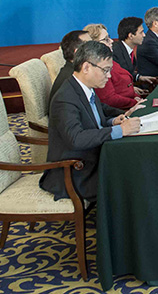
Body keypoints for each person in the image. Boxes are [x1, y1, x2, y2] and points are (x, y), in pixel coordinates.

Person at [40, 40, 141, 202]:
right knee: (133, 177)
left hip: (92, 160)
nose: (109, 76)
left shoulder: (85, 89)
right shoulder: (65, 98)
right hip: (75, 173)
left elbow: (94, 122)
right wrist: (120, 130)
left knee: (137, 163)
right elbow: (76, 138)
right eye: (105, 70)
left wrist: (113, 121)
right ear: (86, 67)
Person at [84, 23, 146, 110]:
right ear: (94, 45)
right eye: (106, 39)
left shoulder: (111, 61)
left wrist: (135, 96)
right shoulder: (98, 69)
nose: (111, 41)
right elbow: (109, 99)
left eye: (109, 37)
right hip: (123, 110)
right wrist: (134, 102)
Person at [111, 16, 158, 86]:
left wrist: (139, 77)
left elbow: (128, 72)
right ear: (131, 36)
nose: (144, 35)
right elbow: (118, 77)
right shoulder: (115, 52)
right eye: (141, 32)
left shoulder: (126, 50)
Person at [49, 30, 90, 100]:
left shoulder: (75, 70)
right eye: (90, 45)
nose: (96, 49)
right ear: (78, 52)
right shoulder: (73, 78)